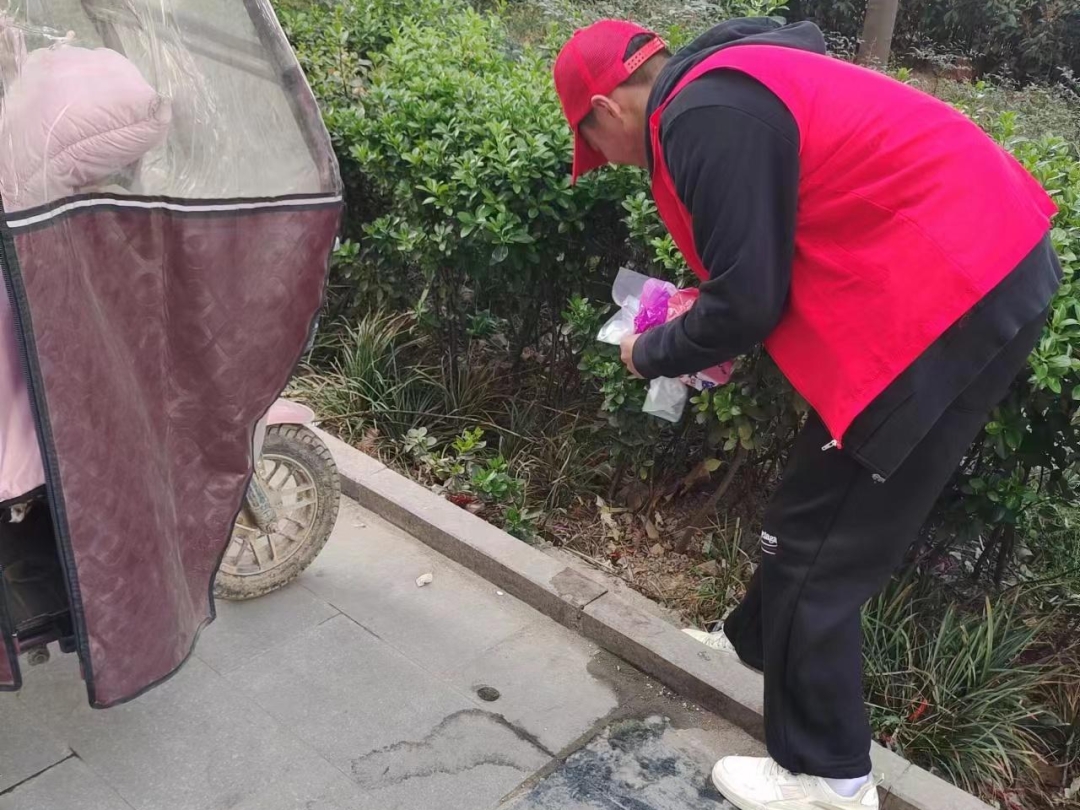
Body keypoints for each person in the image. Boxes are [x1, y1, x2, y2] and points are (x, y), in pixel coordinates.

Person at [552, 16, 1062, 810]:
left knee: (818, 543)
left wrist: (650, 352)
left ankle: (831, 777)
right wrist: (704, 312)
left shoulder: (700, 118)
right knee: (813, 501)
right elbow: (760, 266)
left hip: (950, 293)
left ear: (605, 109)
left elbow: (747, 304)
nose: (611, 162)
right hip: (961, 268)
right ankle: (754, 644)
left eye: (597, 147)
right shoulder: (724, 90)